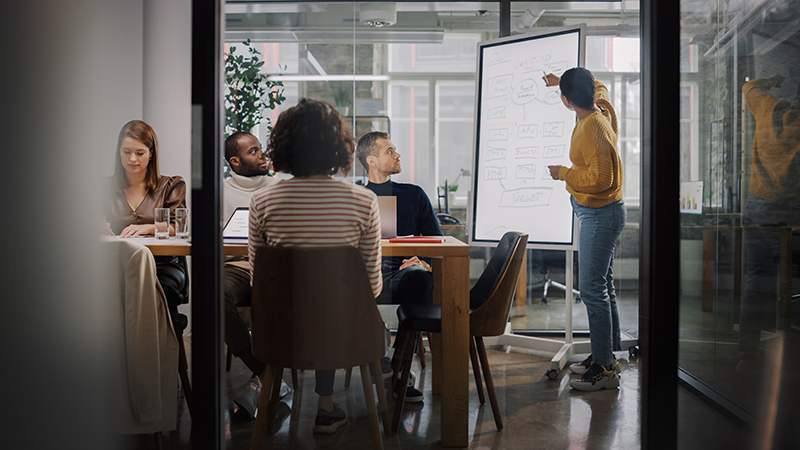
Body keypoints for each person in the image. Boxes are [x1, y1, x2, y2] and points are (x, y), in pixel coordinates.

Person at [248, 98, 383, 434]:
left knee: (310, 303)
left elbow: (258, 282)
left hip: (283, 334)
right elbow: (372, 287)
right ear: (339, 146)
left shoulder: (262, 201)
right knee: (332, 302)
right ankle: (326, 407)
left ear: (281, 146)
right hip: (347, 333)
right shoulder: (364, 200)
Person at [545, 68, 625, 391]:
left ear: (566, 101)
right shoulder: (601, 106)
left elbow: (601, 180)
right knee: (603, 285)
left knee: (592, 290)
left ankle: (605, 370)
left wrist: (564, 173)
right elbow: (598, 85)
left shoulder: (593, 126)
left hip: (599, 214)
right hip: (600, 212)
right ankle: (607, 355)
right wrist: (560, 81)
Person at [222, 131, 288, 418]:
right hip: (236, 267)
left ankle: (266, 379)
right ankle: (262, 372)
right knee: (213, 293)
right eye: (253, 152)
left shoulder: (278, 188)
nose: (263, 155)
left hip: (272, 267)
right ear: (235, 161)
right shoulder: (219, 192)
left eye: (261, 149)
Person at [738, 76, 800, 371]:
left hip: (754, 208)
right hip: (786, 216)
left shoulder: (768, 107)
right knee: (786, 285)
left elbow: (748, 86)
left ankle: (747, 355)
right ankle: (786, 355)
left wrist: (773, 80)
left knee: (755, 283)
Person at [104, 120, 189, 324]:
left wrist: (149, 228)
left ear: (151, 153)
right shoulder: (104, 188)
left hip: (163, 264)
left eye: (140, 153)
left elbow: (178, 228)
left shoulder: (172, 185)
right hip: (117, 264)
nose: (132, 158)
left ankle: (153, 352)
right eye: (126, 152)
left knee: (144, 288)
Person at [355, 132, 442, 307]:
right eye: (389, 151)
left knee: (421, 277)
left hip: (404, 271)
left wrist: (424, 263)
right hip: (364, 273)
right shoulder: (356, 197)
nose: (397, 155)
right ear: (372, 161)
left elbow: (435, 239)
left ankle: (409, 335)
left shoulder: (414, 194)